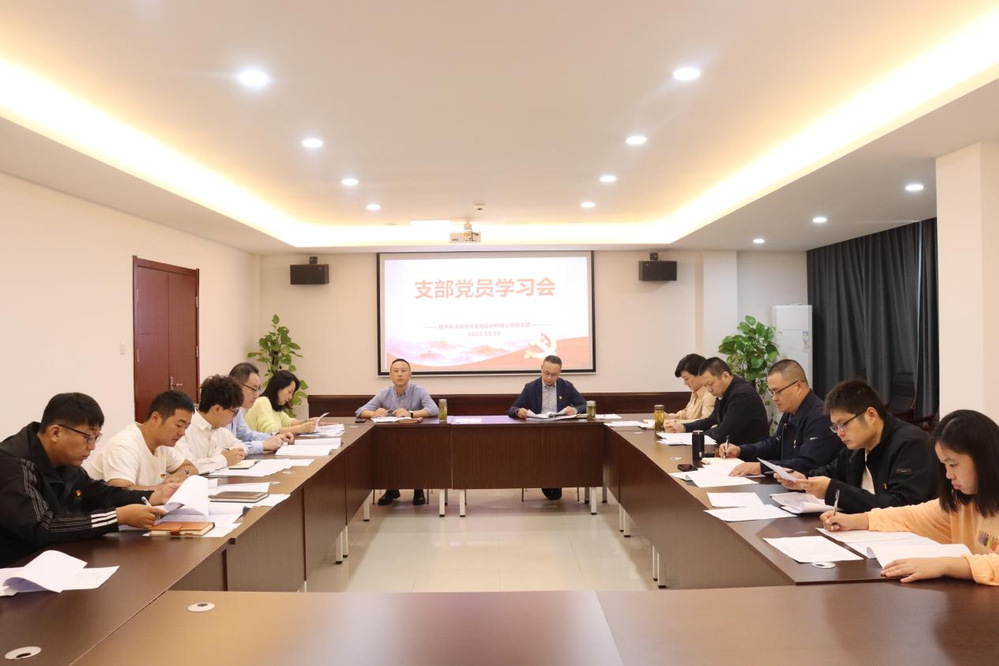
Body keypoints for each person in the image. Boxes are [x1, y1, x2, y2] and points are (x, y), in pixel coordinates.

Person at [822, 410, 999, 585]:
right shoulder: (962, 502)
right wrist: (856, 520)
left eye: (953, 464)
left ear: (983, 458)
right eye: (944, 465)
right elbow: (912, 516)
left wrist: (945, 565)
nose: (948, 475)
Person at [0, 393, 177, 567]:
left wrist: (156, 496)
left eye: (96, 437)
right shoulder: (14, 464)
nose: (92, 446)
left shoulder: (64, 459)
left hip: (57, 558)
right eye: (88, 437)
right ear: (55, 432)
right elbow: (43, 526)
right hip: (17, 568)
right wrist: (118, 517)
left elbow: (97, 493)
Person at [779, 378, 936, 513]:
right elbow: (832, 472)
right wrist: (804, 480)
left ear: (871, 415)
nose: (839, 433)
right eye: (835, 427)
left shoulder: (911, 444)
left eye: (843, 424)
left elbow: (902, 506)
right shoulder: (857, 447)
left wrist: (833, 490)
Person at [720, 359, 842, 477]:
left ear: (798, 386)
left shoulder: (820, 416)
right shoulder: (791, 410)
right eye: (771, 392)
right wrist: (741, 450)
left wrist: (761, 467)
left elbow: (807, 464)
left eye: (777, 391)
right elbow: (775, 444)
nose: (774, 398)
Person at [357, 358, 440, 506]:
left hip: (416, 439)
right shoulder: (385, 393)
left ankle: (418, 489)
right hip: (391, 440)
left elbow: (434, 410)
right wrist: (374, 413)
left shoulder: (419, 390)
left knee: (415, 451)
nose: (400, 374)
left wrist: (411, 413)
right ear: (390, 375)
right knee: (386, 450)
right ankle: (391, 488)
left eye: (403, 371)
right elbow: (360, 411)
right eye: (396, 371)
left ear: (410, 374)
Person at [508, 354, 587, 500]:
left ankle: (555, 481)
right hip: (538, 433)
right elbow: (513, 408)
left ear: (560, 373)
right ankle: (547, 481)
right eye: (546, 373)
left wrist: (574, 410)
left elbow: (584, 405)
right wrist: (519, 412)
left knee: (562, 453)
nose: (549, 378)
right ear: (541, 369)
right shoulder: (531, 387)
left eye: (554, 375)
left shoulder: (566, 386)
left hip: (561, 433)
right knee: (543, 454)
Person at [84, 390, 199, 488]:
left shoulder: (161, 445)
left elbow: (191, 468)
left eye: (186, 427)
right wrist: (164, 489)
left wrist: (176, 479)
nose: (182, 433)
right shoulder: (125, 445)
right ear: (155, 418)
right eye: (179, 425)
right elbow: (122, 492)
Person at [666, 357, 769, 445]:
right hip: (731, 450)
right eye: (705, 386)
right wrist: (683, 428)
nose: (709, 390)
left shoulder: (742, 395)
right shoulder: (724, 392)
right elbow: (710, 421)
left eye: (710, 384)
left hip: (749, 455)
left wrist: (695, 435)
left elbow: (723, 432)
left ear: (725, 376)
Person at [176, 375, 248, 474]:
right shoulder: (183, 429)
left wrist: (231, 453)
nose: (234, 416)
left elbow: (242, 446)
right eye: (234, 411)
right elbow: (186, 468)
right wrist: (224, 459)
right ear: (217, 409)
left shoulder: (219, 429)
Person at [227, 362, 293, 453]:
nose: (257, 395)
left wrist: (274, 436)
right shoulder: (221, 409)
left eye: (258, 389)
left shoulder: (236, 409)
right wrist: (263, 445)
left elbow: (247, 435)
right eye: (254, 389)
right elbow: (228, 448)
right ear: (237, 385)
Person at [245, 370, 318, 436]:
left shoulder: (274, 407)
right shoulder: (262, 401)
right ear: (278, 387)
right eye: (289, 392)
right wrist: (301, 428)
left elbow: (288, 422)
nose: (291, 397)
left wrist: (307, 422)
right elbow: (271, 432)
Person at [663, 353, 715, 427]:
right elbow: (687, 413)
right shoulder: (695, 391)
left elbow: (706, 422)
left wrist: (675, 422)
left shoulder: (710, 394)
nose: (685, 383)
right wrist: (670, 417)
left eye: (686, 379)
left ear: (700, 374)